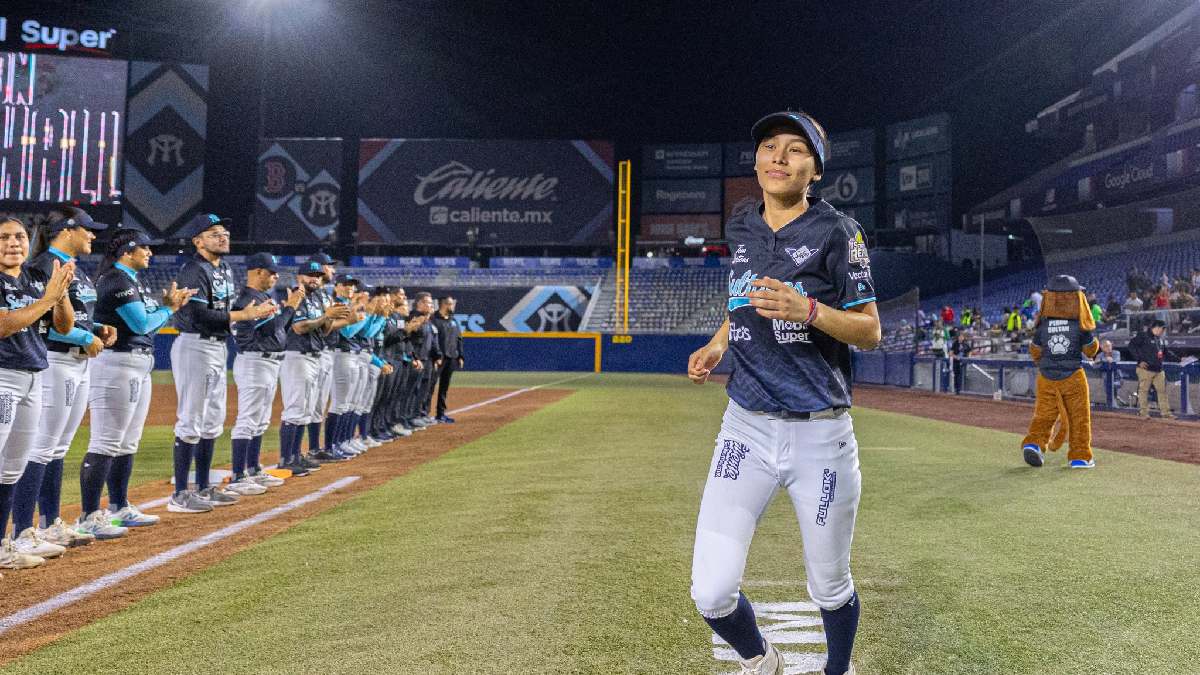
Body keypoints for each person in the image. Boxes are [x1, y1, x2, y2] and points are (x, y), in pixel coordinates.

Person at [686, 110, 878, 675]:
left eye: (795, 150)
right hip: (745, 425)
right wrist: (720, 342)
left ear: (814, 170)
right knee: (710, 591)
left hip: (821, 434)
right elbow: (744, 296)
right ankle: (763, 662)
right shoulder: (742, 221)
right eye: (770, 145)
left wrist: (811, 310)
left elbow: (870, 330)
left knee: (829, 584)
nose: (778, 157)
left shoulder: (839, 232)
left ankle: (835, 671)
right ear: (755, 160)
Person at [11, 207, 110, 554]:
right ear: (67, 231)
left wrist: (96, 329)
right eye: (88, 229)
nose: (93, 236)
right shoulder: (40, 268)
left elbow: (74, 317)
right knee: (41, 445)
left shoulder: (75, 272)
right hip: (53, 360)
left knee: (57, 447)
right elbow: (43, 320)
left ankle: (49, 522)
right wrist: (84, 338)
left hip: (77, 365)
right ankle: (23, 528)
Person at [85, 229, 194, 522]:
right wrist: (169, 308)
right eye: (145, 248)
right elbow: (142, 324)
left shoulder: (132, 281)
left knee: (127, 442)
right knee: (106, 441)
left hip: (135, 364)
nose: (150, 253)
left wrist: (164, 310)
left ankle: (119, 507)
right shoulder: (117, 281)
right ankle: (90, 515)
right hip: (115, 364)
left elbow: (149, 326)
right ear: (127, 251)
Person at [168, 214, 275, 513]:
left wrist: (257, 312)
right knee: (191, 418)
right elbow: (200, 314)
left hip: (216, 347)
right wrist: (244, 316)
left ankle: (203, 487)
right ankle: (180, 494)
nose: (223, 236)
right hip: (195, 345)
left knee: (212, 419)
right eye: (214, 233)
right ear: (197, 241)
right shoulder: (193, 270)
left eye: (224, 232)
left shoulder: (225, 268)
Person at [0, 216, 76, 570]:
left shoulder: (33, 278)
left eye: (19, 237)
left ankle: (4, 543)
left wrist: (59, 296)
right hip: (3, 377)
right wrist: (47, 299)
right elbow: (4, 325)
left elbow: (64, 326)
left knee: (12, 467)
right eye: (3, 237)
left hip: (32, 375)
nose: (13, 243)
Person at [228, 252, 302, 494]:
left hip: (267, 363)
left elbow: (278, 331)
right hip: (254, 361)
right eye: (272, 272)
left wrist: (287, 311)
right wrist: (290, 308)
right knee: (248, 419)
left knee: (260, 421)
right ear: (258, 271)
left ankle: (253, 468)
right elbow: (274, 329)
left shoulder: (262, 297)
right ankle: (239, 475)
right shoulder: (248, 299)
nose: (276, 276)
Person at [277, 261, 350, 475]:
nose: (315, 279)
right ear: (299, 277)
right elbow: (300, 327)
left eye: (318, 276)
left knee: (306, 410)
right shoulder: (296, 296)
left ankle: (297, 455)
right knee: (296, 409)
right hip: (298, 355)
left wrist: (332, 317)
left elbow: (325, 330)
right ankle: (286, 458)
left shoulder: (318, 297)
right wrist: (326, 317)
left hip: (315, 355)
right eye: (310, 275)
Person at [1021, 275, 1100, 469]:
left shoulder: (1043, 326)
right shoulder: (1079, 325)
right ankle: (1080, 456)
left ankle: (1034, 444)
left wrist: (1044, 363)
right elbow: (1091, 351)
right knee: (1079, 417)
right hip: (1072, 375)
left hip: (1046, 376)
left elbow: (1035, 351)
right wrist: (1096, 344)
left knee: (1044, 414)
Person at [1127, 319, 1176, 419]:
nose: (1163, 331)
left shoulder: (1159, 339)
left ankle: (1165, 413)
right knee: (1144, 391)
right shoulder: (1143, 335)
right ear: (1156, 327)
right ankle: (1143, 412)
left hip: (1158, 369)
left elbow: (1166, 352)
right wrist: (1139, 360)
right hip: (1145, 369)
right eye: (1162, 329)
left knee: (1162, 391)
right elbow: (1131, 346)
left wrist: (1180, 359)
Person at [429, 296, 464, 423]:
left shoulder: (453, 320)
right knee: (430, 387)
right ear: (443, 305)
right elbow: (431, 340)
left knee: (444, 387)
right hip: (438, 359)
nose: (452, 306)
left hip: (451, 358)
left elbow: (459, 339)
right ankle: (423, 414)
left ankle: (441, 413)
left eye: (452, 304)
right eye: (450, 304)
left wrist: (460, 355)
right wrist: (435, 356)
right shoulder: (433, 319)